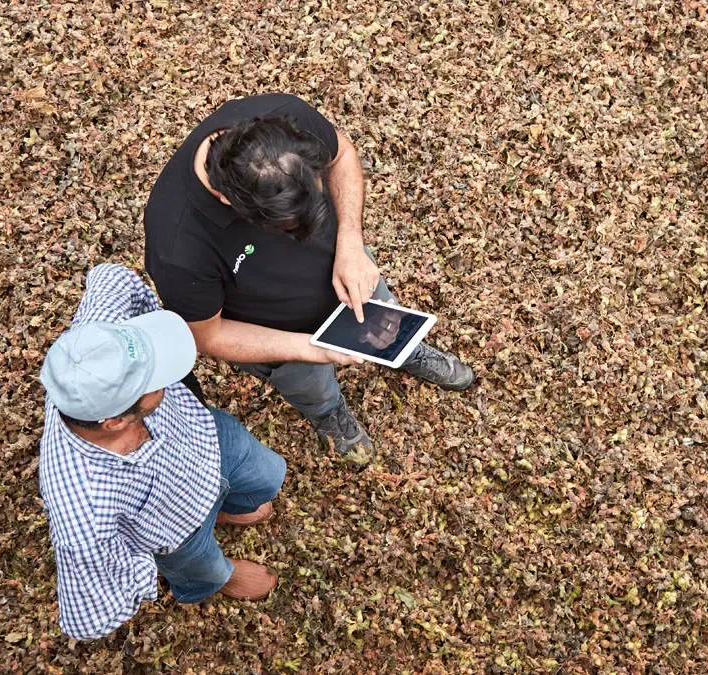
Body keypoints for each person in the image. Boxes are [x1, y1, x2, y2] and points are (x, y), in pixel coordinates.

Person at [144, 93, 475, 460]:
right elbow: (209, 334)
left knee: (389, 320)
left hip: (350, 273)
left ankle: (404, 350)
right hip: (281, 337)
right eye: (288, 226)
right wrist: (312, 349)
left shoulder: (284, 117)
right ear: (229, 202)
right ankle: (328, 413)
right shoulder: (178, 247)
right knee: (308, 384)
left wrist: (350, 242)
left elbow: (342, 155)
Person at [37, 264, 288, 641]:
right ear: (115, 421)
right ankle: (223, 576)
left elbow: (110, 276)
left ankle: (224, 508)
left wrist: (145, 323)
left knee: (267, 475)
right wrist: (143, 560)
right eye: (155, 380)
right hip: (175, 530)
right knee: (200, 565)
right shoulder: (82, 503)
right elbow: (86, 618)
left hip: (204, 434)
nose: (167, 375)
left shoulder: (94, 340)